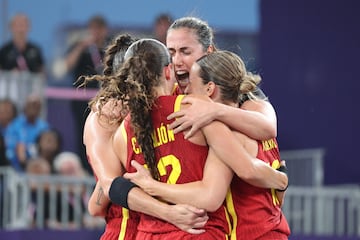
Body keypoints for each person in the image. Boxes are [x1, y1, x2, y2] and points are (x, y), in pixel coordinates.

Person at [93, 38, 287, 239]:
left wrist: (154, 193)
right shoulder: (196, 109)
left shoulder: (121, 133)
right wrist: (281, 180)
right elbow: (227, 183)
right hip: (201, 231)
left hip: (147, 233)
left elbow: (103, 195)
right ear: (168, 71)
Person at [84, 34, 207, 239]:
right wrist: (169, 212)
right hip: (143, 226)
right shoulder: (105, 117)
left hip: (157, 227)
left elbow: (98, 203)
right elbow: (106, 191)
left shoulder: (171, 101)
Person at [165, 17, 277, 140]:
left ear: (208, 52)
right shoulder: (167, 92)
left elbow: (268, 128)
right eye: (171, 53)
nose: (176, 61)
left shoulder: (236, 86)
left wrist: (213, 110)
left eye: (185, 52)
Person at [62, 15, 111, 174]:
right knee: (83, 134)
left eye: (99, 28)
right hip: (82, 101)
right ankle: (84, 168)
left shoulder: (110, 48)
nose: (96, 32)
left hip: (104, 101)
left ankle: (104, 167)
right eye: (93, 28)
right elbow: (67, 66)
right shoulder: (80, 47)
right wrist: (81, 47)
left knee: (104, 133)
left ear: (104, 30)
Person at [4, 94, 50, 171]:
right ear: (25, 106)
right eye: (31, 105)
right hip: (15, 166)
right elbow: (9, 147)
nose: (33, 108)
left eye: (36, 105)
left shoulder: (44, 127)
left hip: (38, 166)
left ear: (40, 108)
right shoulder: (14, 125)